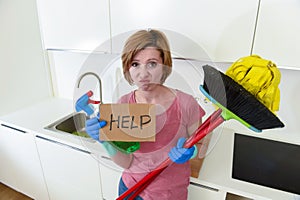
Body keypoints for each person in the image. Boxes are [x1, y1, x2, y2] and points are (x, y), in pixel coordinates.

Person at [85, 29, 206, 200]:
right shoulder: (123, 105)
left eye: (152, 64)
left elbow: (201, 144)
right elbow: (127, 162)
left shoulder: (186, 104)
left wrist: (191, 151)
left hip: (171, 194)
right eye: (135, 64)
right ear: (127, 66)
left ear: (164, 65)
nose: (143, 74)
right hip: (130, 190)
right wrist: (105, 140)